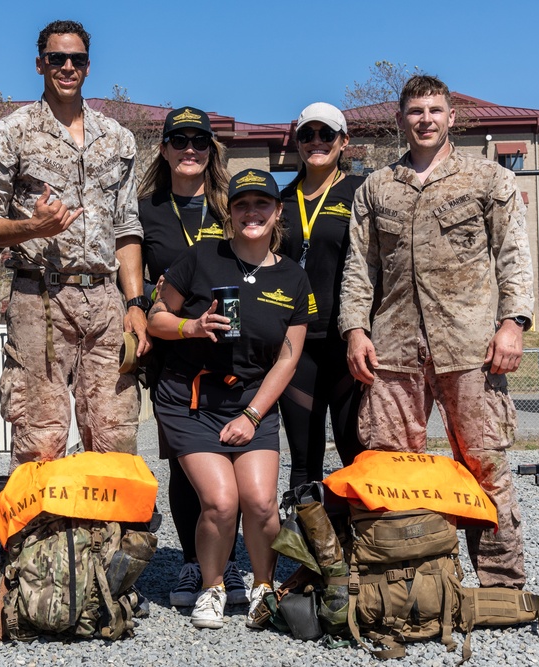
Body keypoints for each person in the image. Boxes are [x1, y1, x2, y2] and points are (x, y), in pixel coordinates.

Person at [338, 75, 535, 589]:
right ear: (401, 119)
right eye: (415, 111)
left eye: (434, 110)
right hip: (394, 350)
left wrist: (513, 323)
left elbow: (514, 256)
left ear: (451, 117)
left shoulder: (488, 180)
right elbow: (360, 268)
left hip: (470, 348)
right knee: (391, 468)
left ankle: (500, 585)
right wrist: (356, 330)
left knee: (485, 463)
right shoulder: (376, 188)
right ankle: (405, 580)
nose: (425, 119)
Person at [0, 20, 146, 469]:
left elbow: (127, 227)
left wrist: (135, 302)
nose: (67, 66)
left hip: (106, 300)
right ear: (40, 64)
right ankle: (38, 537)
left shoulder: (118, 139)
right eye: (57, 58)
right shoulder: (12, 132)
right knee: (39, 432)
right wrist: (33, 228)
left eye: (77, 59)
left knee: (115, 430)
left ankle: (112, 538)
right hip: (39, 298)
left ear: (88, 67)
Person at [148, 169, 315, 629]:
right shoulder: (202, 257)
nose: (252, 212)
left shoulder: (294, 278)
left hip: (250, 402)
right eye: (242, 205)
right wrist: (191, 327)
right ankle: (213, 585)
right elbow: (155, 318)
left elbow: (288, 358)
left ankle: (263, 586)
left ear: (277, 212)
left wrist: (253, 413)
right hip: (190, 398)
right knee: (221, 502)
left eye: (262, 204)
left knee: (260, 502)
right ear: (231, 213)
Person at [137, 107, 249, 608]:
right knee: (185, 463)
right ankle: (190, 563)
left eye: (199, 141)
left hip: (233, 350)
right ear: (163, 149)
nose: (189, 149)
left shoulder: (231, 206)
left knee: (233, 456)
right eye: (179, 140)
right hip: (174, 351)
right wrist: (141, 297)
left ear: (211, 150)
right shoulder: (145, 209)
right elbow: (131, 277)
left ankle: (229, 566)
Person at [278, 102, 366, 488]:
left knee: (357, 455)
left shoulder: (362, 192)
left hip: (348, 341)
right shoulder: (279, 202)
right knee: (303, 460)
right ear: (296, 142)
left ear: (343, 141)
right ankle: (308, 548)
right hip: (298, 346)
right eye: (307, 134)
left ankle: (361, 545)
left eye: (326, 134)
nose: (316, 142)